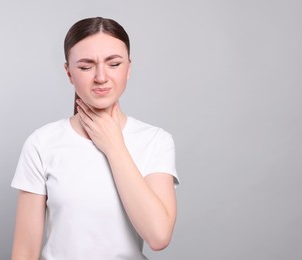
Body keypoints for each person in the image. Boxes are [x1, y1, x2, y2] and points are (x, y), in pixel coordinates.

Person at [11, 17, 179, 260]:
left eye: (114, 64)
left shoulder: (155, 141)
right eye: (86, 66)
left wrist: (114, 146)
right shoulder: (42, 143)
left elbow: (158, 235)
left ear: (128, 68)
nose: (101, 77)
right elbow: (24, 252)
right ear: (69, 73)